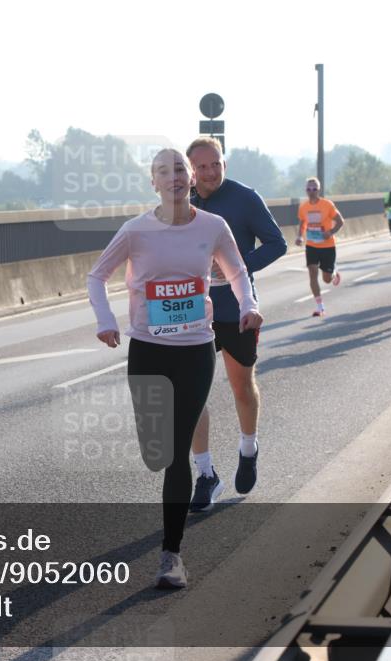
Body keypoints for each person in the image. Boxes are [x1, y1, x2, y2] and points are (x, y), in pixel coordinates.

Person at [87, 148, 263, 588]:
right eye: (164, 172)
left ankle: (171, 555)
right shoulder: (135, 231)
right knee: (157, 450)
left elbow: (237, 272)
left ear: (190, 179)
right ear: (154, 183)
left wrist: (248, 305)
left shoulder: (213, 226)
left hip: (195, 349)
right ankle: (173, 490)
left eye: (180, 169)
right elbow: (96, 276)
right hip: (148, 349)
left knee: (177, 450)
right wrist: (107, 321)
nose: (175, 177)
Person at [185, 137, 286, 513]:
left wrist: (237, 265)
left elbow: (277, 243)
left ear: (224, 164)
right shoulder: (182, 202)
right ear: (191, 170)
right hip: (193, 313)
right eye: (203, 167)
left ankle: (248, 448)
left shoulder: (245, 198)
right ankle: (206, 473)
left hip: (237, 309)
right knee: (192, 394)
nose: (211, 173)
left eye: (217, 164)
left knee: (242, 386)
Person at [295, 177, 344, 317]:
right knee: (312, 272)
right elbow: (303, 222)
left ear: (319, 189)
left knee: (326, 279)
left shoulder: (327, 205)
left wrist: (331, 232)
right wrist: (299, 236)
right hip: (311, 245)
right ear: (306, 190)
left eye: (314, 189)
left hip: (328, 246)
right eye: (309, 189)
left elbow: (340, 221)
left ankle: (334, 273)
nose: (311, 191)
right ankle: (320, 307)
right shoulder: (303, 206)